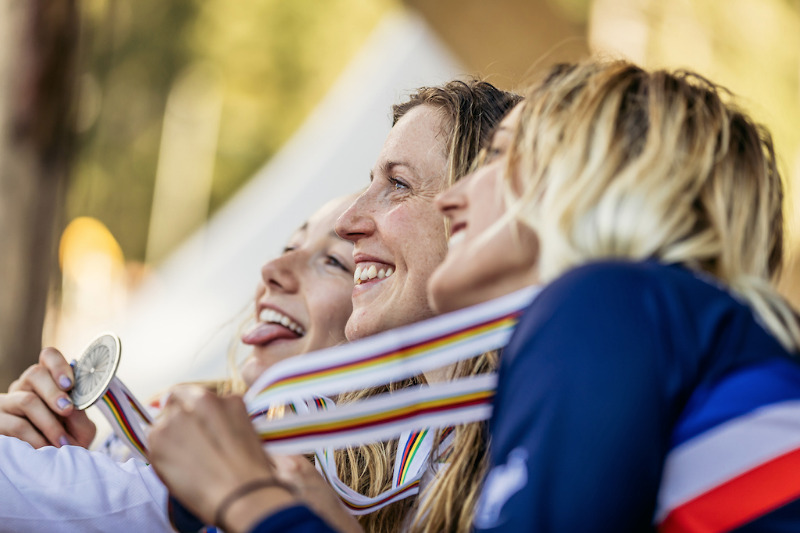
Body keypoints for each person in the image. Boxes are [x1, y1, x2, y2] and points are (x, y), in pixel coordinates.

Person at [148, 59, 800, 533]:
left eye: (499, 160)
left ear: (582, 183)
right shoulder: (649, 324)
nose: (457, 196)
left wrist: (246, 498)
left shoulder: (603, 302)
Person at [0, 194, 358, 532]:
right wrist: (58, 449)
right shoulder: (168, 417)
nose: (271, 268)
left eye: (334, 261)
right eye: (289, 247)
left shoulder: (386, 500)